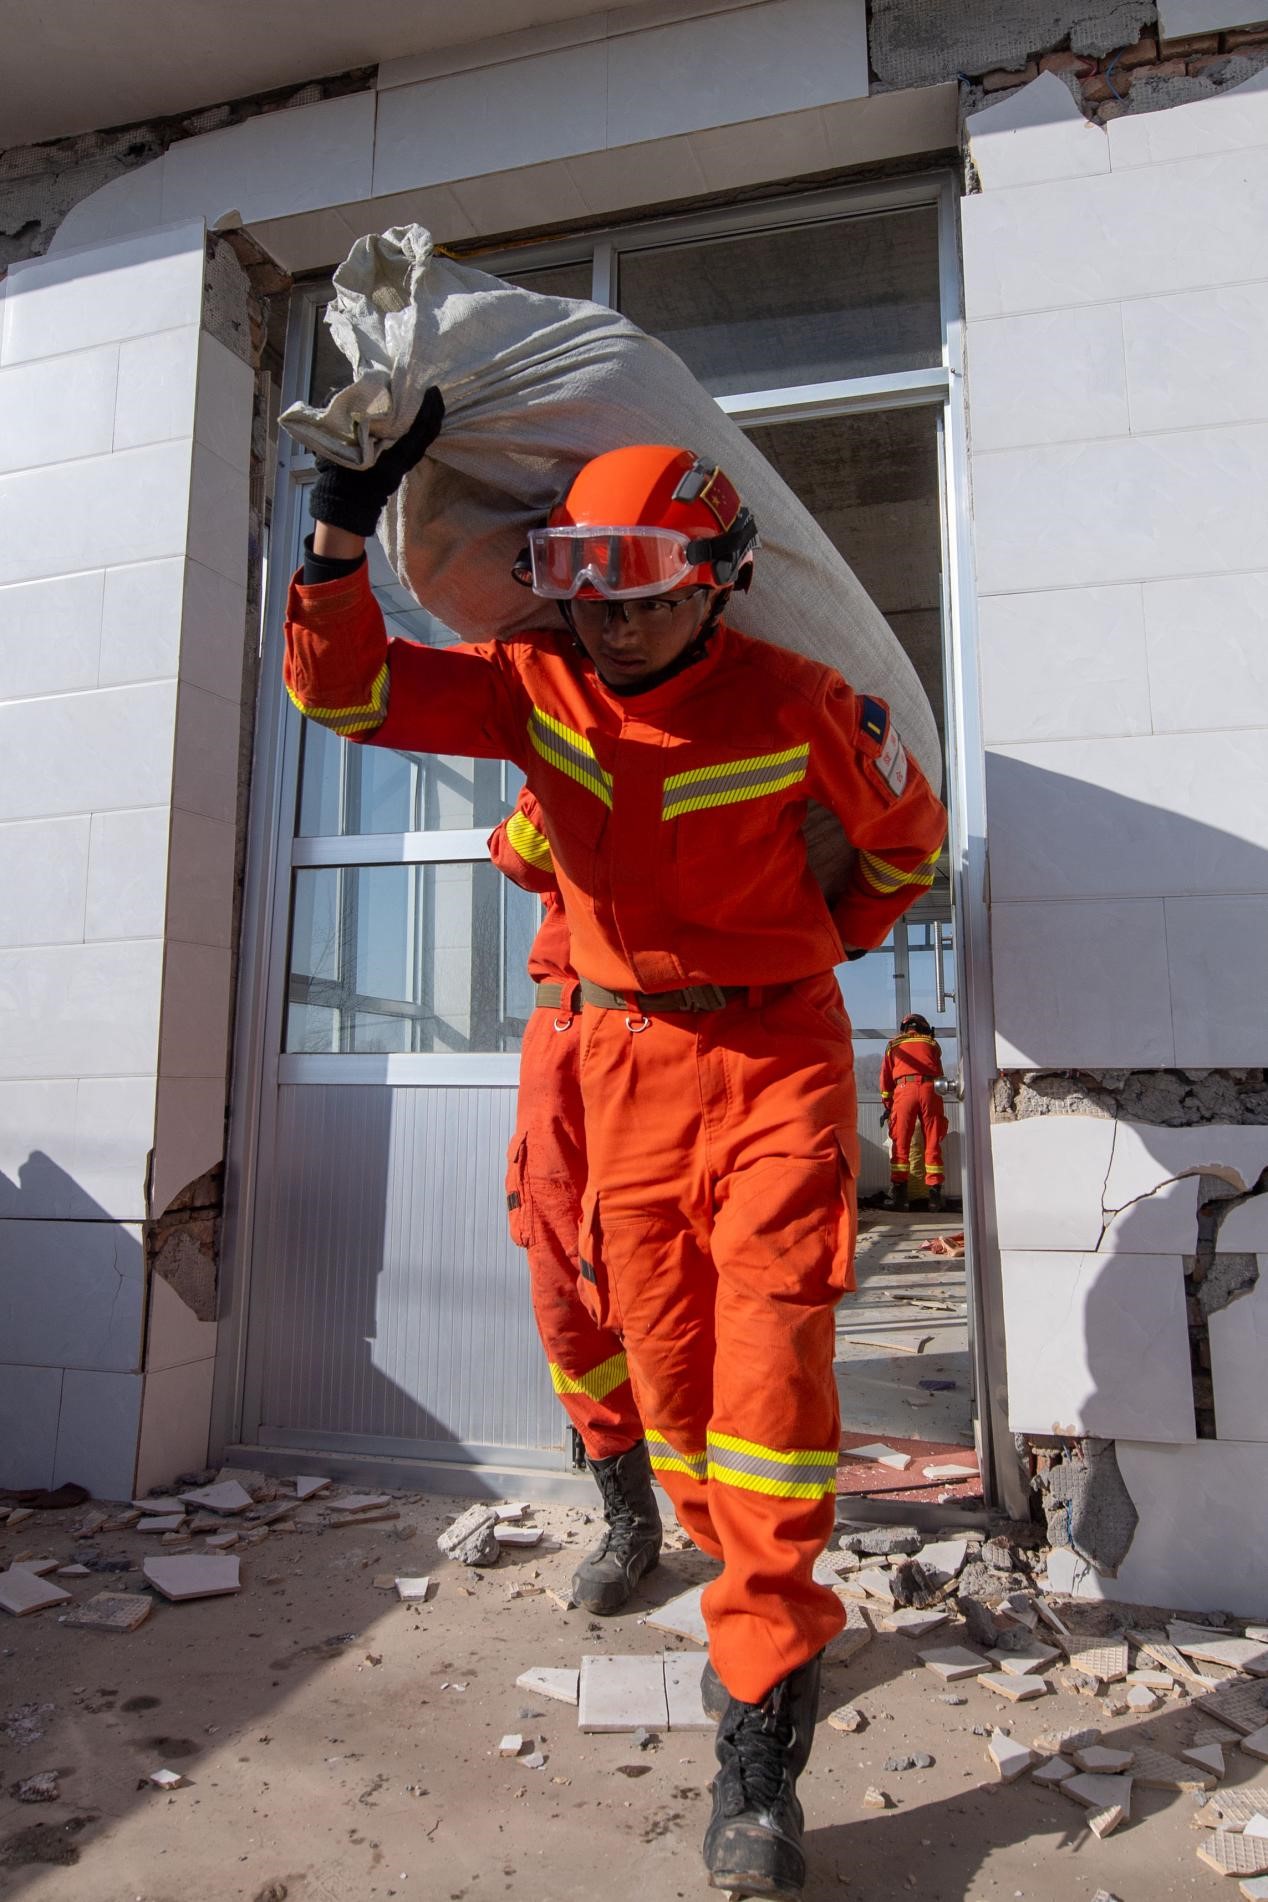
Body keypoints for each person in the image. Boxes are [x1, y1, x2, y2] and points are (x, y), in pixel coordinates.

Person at [284, 399, 946, 1900]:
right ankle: (699, 1554)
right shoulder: (534, 687)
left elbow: (905, 842)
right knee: (670, 1373)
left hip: (774, 1059)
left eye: (651, 586)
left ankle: (762, 1725)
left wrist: (815, 947)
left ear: (718, 577)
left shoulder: (797, 700)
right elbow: (342, 699)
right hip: (621, 1066)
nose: (622, 616)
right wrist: (336, 529)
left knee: (773, 1378)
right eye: (594, 582)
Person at [488, 787, 661, 1614]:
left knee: (683, 1277)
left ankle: (744, 1537)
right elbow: (519, 855)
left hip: (676, 1038)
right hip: (565, 1044)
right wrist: (559, 764)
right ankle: (629, 1515)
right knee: (566, 1296)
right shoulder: (564, 750)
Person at [879, 1012, 949, 1213]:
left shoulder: (893, 1044)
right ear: (923, 1027)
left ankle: (900, 1198)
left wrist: (888, 1103)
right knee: (933, 1141)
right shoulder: (932, 1044)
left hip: (904, 1089)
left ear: (904, 1028)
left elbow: (885, 1078)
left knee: (901, 1143)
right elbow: (940, 1074)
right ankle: (935, 1197)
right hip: (930, 1089)